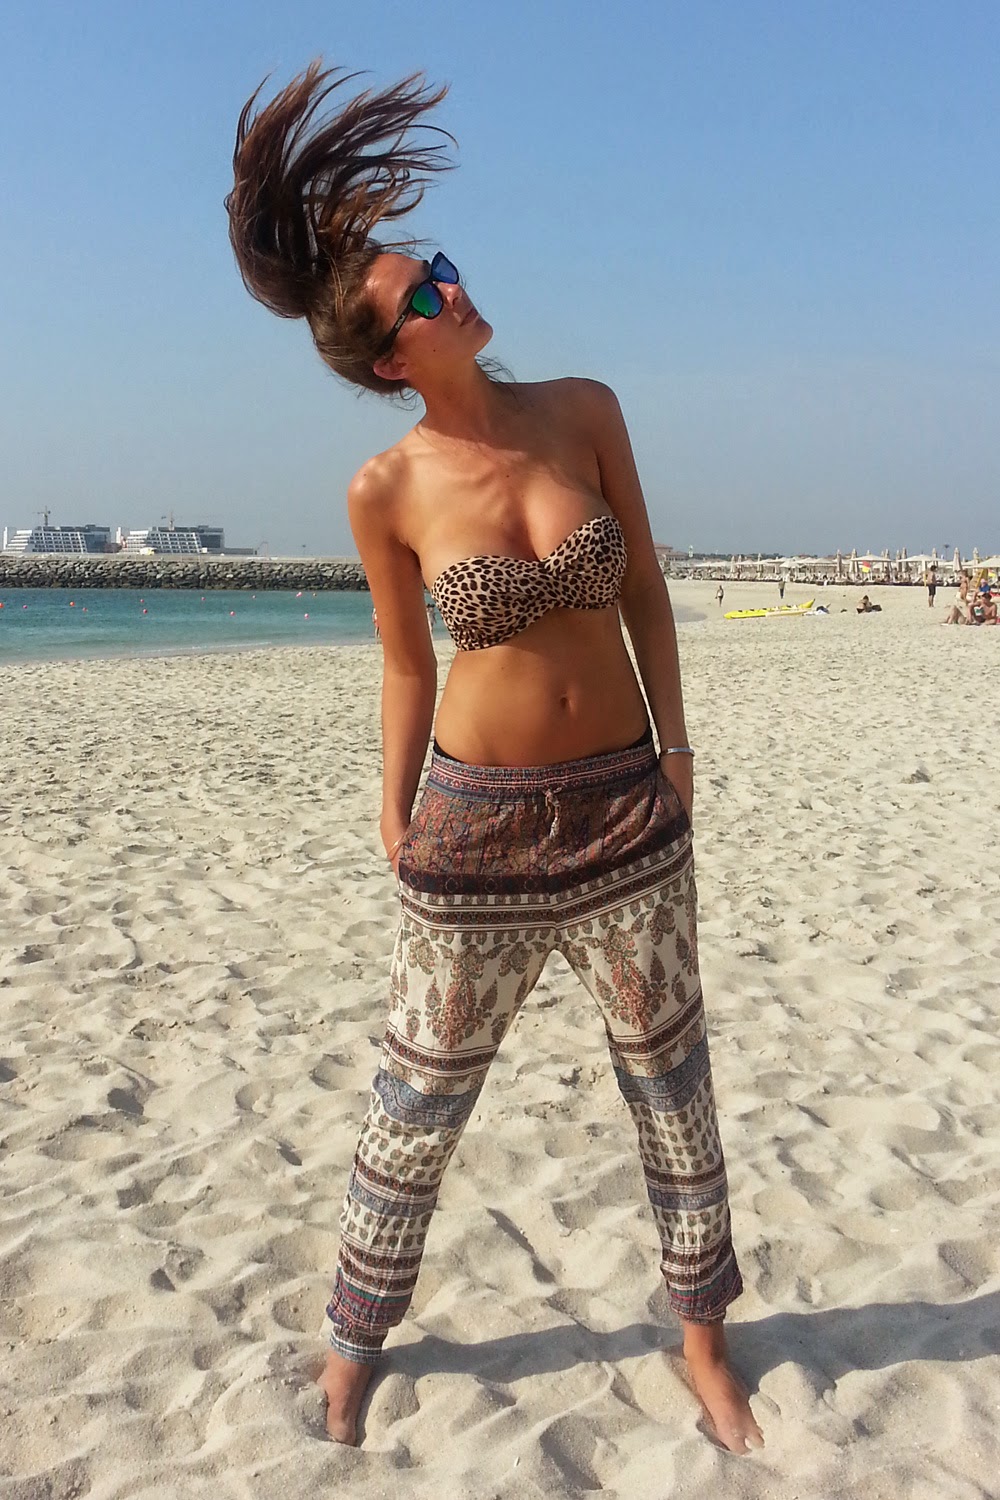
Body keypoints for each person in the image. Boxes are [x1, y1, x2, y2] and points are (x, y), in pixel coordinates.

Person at [226, 61, 762, 1457]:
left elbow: (645, 594)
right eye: (424, 297)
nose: (453, 292)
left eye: (445, 270)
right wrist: (392, 811)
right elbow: (409, 665)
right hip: (473, 829)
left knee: (674, 1090)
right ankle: (353, 1346)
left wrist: (677, 748)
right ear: (389, 362)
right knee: (417, 1105)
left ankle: (705, 1344)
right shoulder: (386, 489)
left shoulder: (584, 409)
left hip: (626, 807)